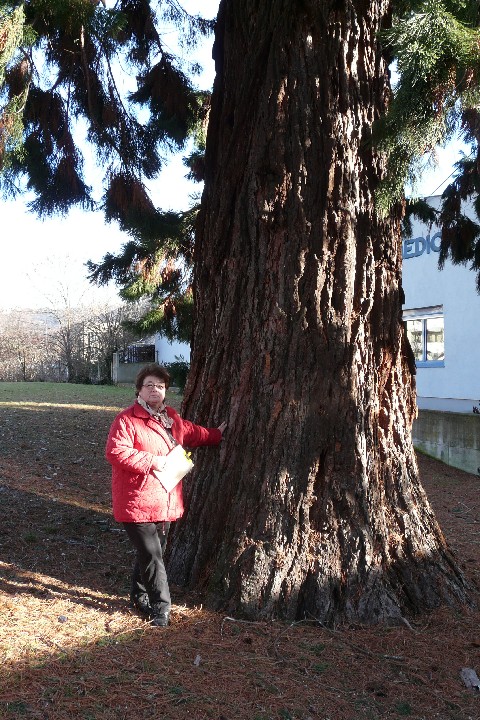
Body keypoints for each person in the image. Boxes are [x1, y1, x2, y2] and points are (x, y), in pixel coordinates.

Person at [105, 363, 226, 627]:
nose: (154, 390)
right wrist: (154, 461)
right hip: (136, 501)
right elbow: (116, 452)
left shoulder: (170, 418)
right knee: (153, 556)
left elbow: (193, 433)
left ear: (165, 391)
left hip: (164, 499)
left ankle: (138, 596)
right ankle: (161, 610)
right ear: (139, 390)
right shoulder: (126, 420)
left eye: (160, 386)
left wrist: (217, 434)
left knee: (148, 553)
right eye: (149, 385)